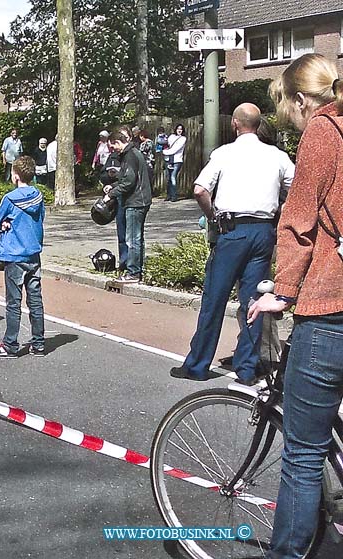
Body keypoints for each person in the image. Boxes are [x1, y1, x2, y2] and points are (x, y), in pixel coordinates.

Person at [247, 53, 343, 559]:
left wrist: (279, 293)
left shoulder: (325, 132)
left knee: (304, 455)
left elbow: (299, 223)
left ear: (303, 100)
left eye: (291, 110)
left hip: (333, 310)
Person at [170, 103, 294, 385]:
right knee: (253, 300)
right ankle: (247, 368)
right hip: (263, 232)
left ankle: (198, 364)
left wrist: (212, 216)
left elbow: (200, 189)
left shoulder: (224, 154)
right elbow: (296, 188)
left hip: (232, 230)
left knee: (214, 298)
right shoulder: (276, 156)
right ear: (259, 124)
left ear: (236, 124)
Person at [0, 155, 45, 359]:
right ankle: (38, 344)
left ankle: (10, 345)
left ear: (16, 175)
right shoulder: (39, 196)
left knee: (14, 302)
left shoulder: (9, 199)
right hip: (33, 254)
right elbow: (40, 218)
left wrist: (5, 225)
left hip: (14, 255)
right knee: (35, 300)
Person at [102, 129, 151, 283]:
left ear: (118, 142)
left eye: (113, 146)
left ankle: (133, 272)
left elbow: (129, 182)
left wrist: (111, 194)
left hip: (135, 201)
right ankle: (138, 269)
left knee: (132, 239)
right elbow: (128, 178)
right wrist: (114, 185)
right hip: (141, 199)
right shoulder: (134, 153)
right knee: (138, 238)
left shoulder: (129, 156)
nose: (113, 150)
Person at [99, 153, 126, 273]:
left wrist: (112, 188)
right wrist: (108, 183)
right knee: (121, 234)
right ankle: (123, 263)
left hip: (132, 200)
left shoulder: (132, 156)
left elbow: (129, 180)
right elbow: (102, 175)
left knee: (133, 237)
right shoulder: (111, 156)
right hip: (118, 198)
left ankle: (133, 267)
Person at [162, 123, 186, 201]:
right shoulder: (171, 136)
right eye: (178, 129)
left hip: (177, 160)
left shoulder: (183, 139)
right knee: (168, 177)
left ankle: (174, 196)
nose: (179, 130)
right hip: (169, 160)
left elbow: (175, 149)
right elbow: (166, 144)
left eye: (181, 129)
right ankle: (168, 195)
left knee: (173, 177)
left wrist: (165, 152)